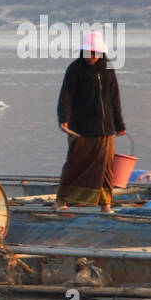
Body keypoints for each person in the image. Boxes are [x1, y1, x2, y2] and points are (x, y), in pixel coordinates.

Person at [55, 30, 126, 212]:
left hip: (106, 129)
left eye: (94, 53)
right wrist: (64, 119)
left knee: (106, 169)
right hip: (82, 129)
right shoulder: (75, 69)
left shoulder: (108, 68)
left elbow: (114, 97)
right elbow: (66, 96)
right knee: (75, 164)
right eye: (88, 52)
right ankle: (61, 201)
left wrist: (119, 124)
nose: (90, 57)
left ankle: (106, 206)